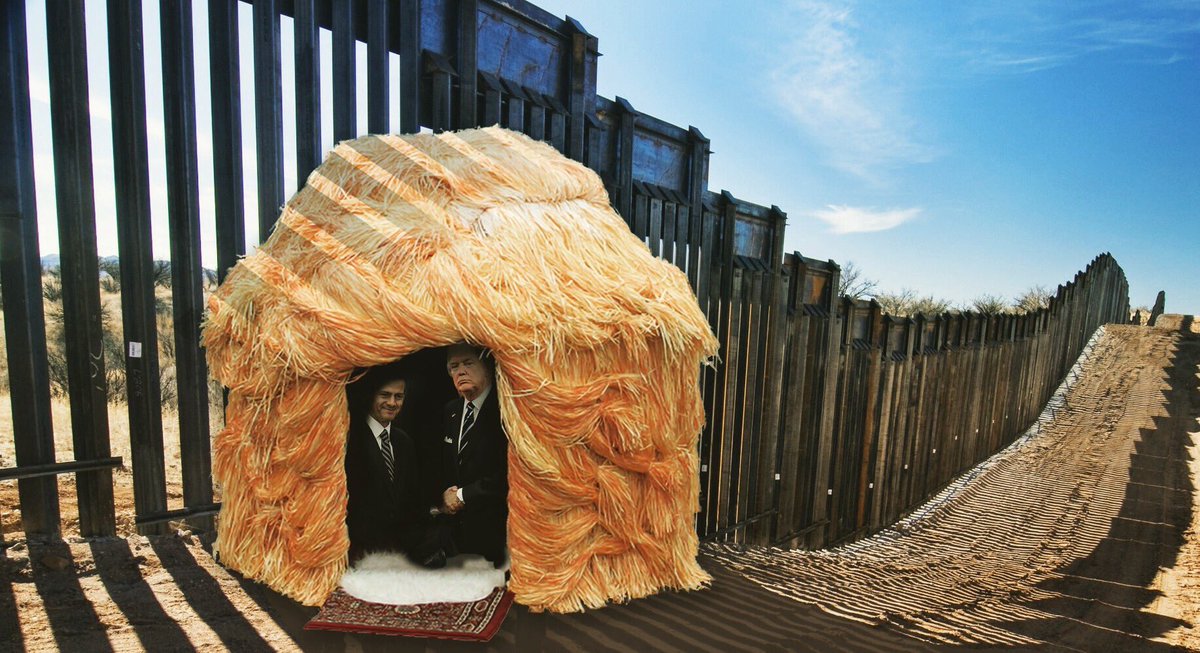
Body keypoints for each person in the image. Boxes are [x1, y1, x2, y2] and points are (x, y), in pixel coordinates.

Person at [430, 343, 509, 567]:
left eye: (468, 363)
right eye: (454, 366)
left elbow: (510, 472)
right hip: (456, 536)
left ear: (487, 367)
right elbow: (443, 465)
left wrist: (462, 495)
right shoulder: (451, 410)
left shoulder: (506, 409)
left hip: (499, 535)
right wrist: (442, 497)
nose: (461, 371)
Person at [343, 369, 426, 564]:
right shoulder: (349, 437)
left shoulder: (404, 441)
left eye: (398, 396)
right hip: (357, 554)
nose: (392, 403)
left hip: (398, 554)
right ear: (370, 395)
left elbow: (410, 499)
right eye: (385, 395)